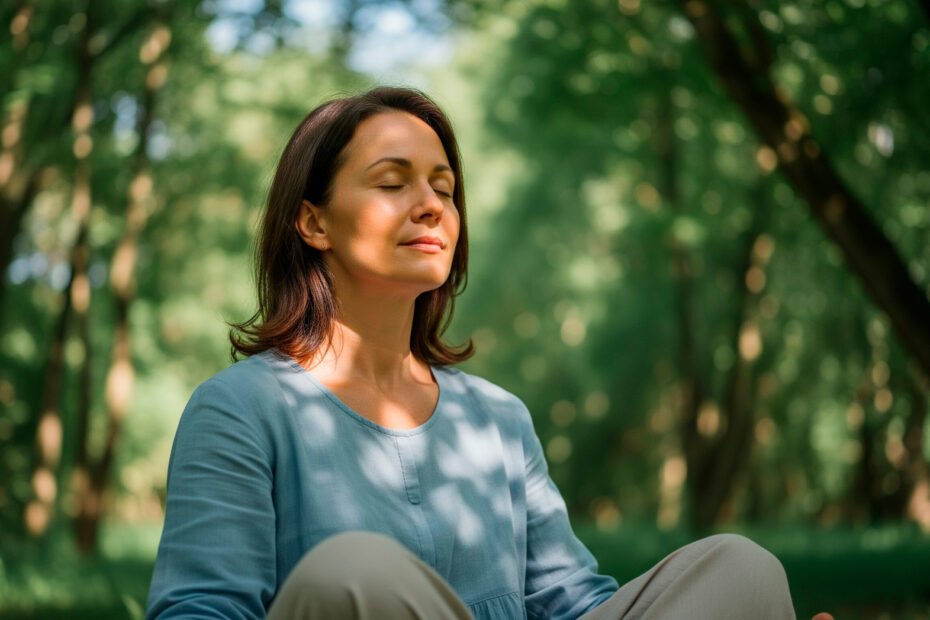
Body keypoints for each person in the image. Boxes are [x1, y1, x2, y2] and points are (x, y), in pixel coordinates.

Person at [145, 86, 831, 620]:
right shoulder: (239, 408)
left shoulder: (498, 419)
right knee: (353, 574)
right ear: (313, 219)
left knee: (743, 569)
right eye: (393, 182)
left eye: (444, 188)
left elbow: (574, 605)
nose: (431, 205)